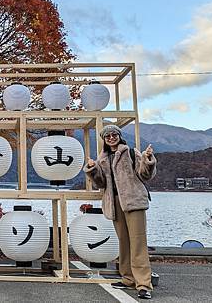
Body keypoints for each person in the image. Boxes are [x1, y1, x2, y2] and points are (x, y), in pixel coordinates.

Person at [84, 125, 156, 300]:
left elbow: (144, 175)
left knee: (138, 243)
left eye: (114, 134)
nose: (111, 137)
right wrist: (93, 169)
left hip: (133, 202)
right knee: (124, 242)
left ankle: (144, 284)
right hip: (115, 203)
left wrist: (147, 160)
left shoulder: (131, 152)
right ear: (104, 139)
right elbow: (100, 183)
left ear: (119, 136)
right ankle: (128, 278)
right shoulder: (102, 158)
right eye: (107, 135)